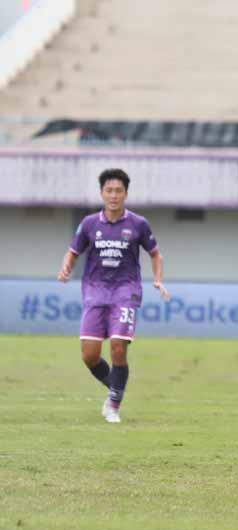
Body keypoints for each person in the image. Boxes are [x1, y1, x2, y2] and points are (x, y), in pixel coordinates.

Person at [56, 168, 169, 424]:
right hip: (95, 292)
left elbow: (155, 254)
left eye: (119, 191)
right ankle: (116, 387)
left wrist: (158, 279)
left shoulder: (138, 224)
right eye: (109, 190)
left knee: (118, 345)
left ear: (126, 194)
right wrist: (66, 267)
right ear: (102, 193)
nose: (114, 195)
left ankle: (114, 405)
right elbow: (72, 252)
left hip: (125, 291)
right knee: (89, 355)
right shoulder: (89, 224)